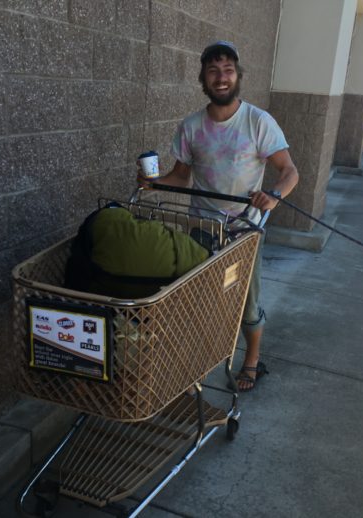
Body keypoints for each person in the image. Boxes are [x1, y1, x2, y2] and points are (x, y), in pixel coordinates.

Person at [138, 40, 299, 392]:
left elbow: (289, 171)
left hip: (244, 231)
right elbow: (181, 177)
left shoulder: (258, 122)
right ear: (203, 79)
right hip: (200, 228)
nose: (221, 77)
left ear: (237, 76)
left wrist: (273, 195)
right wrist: (152, 183)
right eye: (213, 71)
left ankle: (252, 360)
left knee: (245, 301)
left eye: (227, 70)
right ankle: (193, 362)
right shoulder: (191, 126)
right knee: (197, 299)